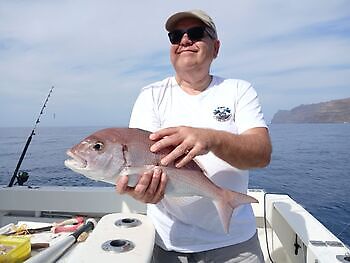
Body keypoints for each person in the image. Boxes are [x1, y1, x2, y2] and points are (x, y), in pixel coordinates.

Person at [116, 9, 272, 263]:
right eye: (175, 36)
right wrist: (140, 190)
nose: (184, 40)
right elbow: (142, 167)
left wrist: (211, 138)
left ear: (216, 47)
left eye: (196, 33)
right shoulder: (151, 95)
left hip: (237, 246)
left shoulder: (238, 91)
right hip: (171, 245)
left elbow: (261, 153)